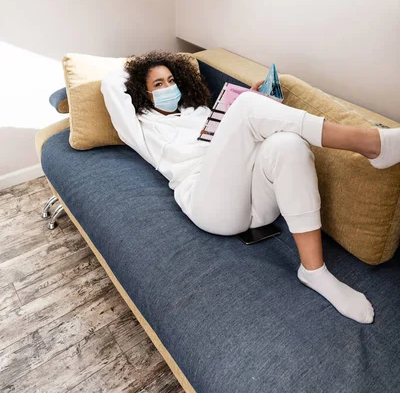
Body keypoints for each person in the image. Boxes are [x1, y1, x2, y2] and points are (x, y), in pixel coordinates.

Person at [101, 50, 400, 325]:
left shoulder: (199, 111)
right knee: (246, 107)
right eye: (158, 84)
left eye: (172, 80)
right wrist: (141, 65)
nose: (169, 87)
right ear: (143, 91)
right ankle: (369, 143)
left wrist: (256, 104)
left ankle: (314, 271)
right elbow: (109, 83)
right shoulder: (140, 125)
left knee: (287, 144)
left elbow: (236, 141)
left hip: (257, 202)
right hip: (211, 205)